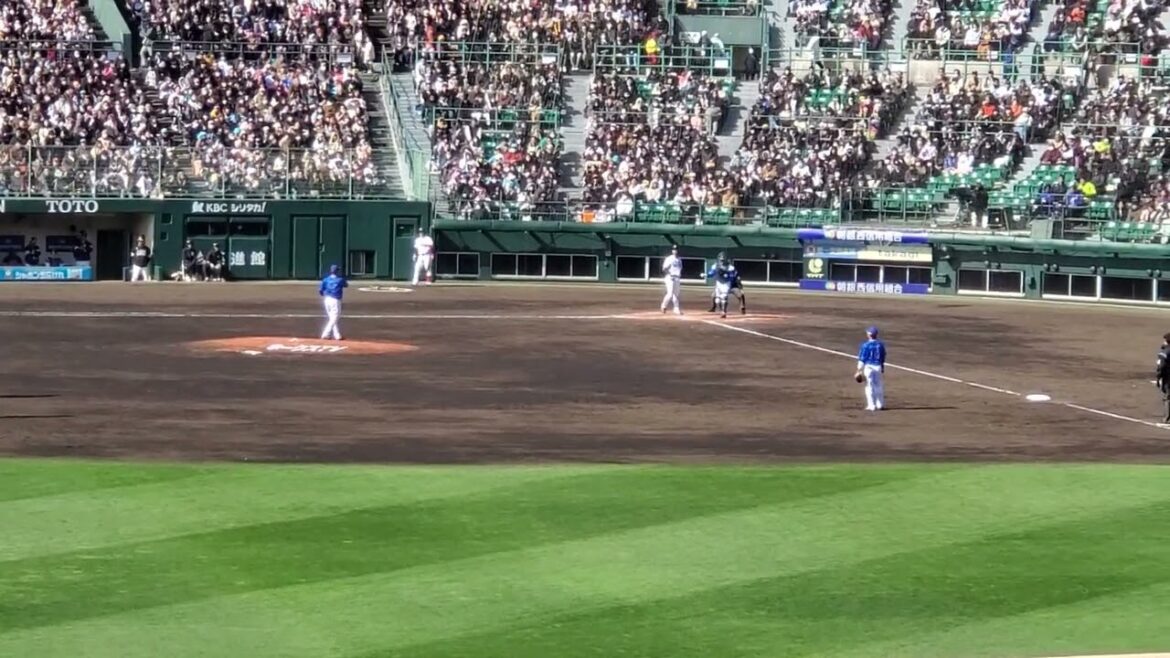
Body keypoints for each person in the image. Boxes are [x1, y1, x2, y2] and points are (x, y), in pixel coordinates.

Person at [855, 325, 887, 411]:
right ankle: (880, 404)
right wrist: (882, 366)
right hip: (878, 367)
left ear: (869, 334)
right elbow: (883, 356)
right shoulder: (880, 345)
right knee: (878, 385)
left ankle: (871, 405)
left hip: (868, 367)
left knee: (869, 386)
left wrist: (859, 370)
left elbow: (862, 358)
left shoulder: (865, 345)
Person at [319, 264, 348, 341]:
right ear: (337, 271)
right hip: (335, 300)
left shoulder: (326, 279)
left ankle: (337, 335)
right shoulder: (340, 280)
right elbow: (346, 285)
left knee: (332, 318)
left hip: (327, 300)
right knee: (334, 318)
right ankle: (325, 333)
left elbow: (321, 291)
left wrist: (324, 295)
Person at [705, 252, 735, 318]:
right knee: (717, 300)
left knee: (724, 297)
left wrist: (727, 275)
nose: (722, 261)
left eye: (723, 260)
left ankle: (723, 311)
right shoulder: (715, 265)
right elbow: (711, 273)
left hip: (726, 283)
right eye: (721, 260)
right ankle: (720, 309)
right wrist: (706, 275)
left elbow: (732, 276)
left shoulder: (730, 267)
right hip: (718, 282)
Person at [660, 245, 683, 315]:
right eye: (674, 250)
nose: (675, 251)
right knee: (670, 294)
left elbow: (680, 268)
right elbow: (663, 268)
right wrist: (667, 269)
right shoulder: (669, 258)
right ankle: (663, 306)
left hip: (677, 278)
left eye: (676, 250)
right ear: (672, 251)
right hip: (670, 277)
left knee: (676, 294)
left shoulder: (679, 259)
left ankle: (676, 309)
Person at [1155, 332, 1170, 422]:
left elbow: (1161, 366)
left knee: (1168, 397)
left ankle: (1167, 417)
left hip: (1168, 377)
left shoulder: (1165, 352)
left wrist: (1158, 377)